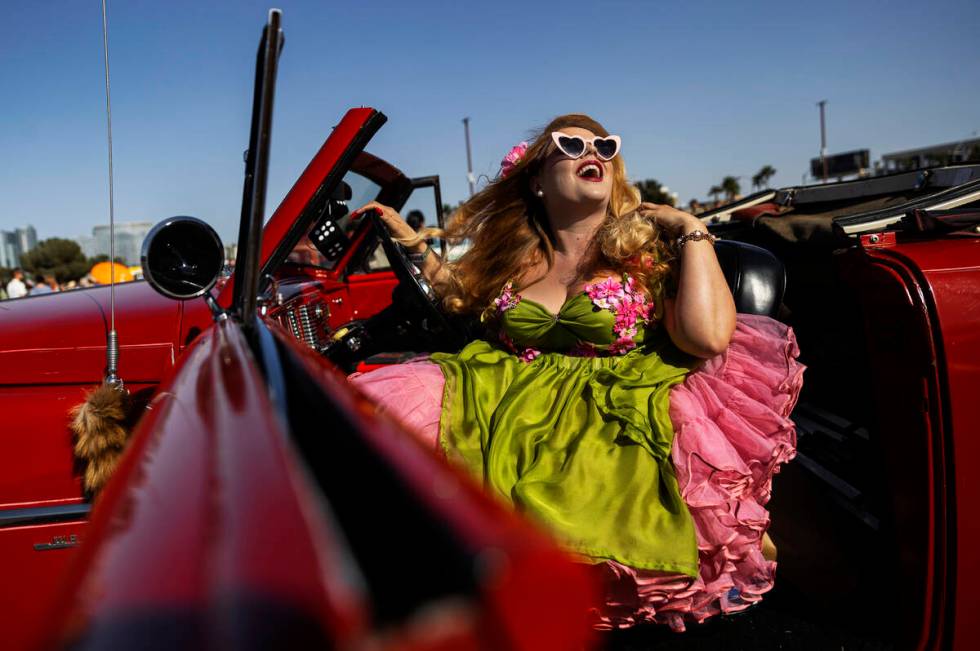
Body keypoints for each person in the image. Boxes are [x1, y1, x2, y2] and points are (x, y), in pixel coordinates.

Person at [348, 114, 802, 632]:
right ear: (537, 180)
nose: (593, 153)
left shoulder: (646, 254)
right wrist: (410, 240)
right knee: (370, 421)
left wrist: (688, 228)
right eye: (570, 144)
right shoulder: (510, 260)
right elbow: (457, 293)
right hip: (503, 399)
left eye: (605, 147)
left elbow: (706, 339)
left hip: (618, 406)